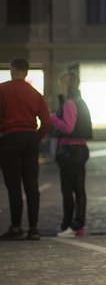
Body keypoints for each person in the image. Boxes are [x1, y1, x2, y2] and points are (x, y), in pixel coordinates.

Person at [0, 58, 51, 240]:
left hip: (10, 138)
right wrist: (36, 138)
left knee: (13, 186)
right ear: (27, 72)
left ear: (12, 69)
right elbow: (46, 122)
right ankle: (33, 229)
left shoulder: (2, 89)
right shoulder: (36, 94)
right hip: (30, 138)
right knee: (31, 185)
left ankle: (15, 227)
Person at [50, 71, 92, 238]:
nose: (60, 87)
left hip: (69, 151)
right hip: (80, 149)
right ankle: (77, 226)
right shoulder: (81, 102)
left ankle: (69, 225)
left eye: (61, 84)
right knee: (79, 190)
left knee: (68, 190)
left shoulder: (69, 103)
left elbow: (68, 127)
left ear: (66, 85)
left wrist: (53, 117)